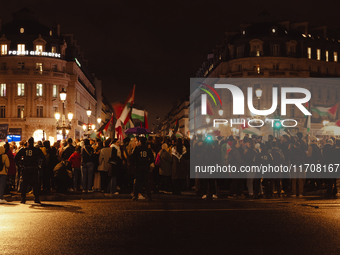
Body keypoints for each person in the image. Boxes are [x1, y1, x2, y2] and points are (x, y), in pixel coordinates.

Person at [14, 137, 45, 204]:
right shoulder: (36, 150)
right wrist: (40, 165)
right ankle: (36, 198)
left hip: (26, 168)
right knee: (35, 184)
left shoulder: (24, 150)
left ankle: (23, 198)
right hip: (34, 168)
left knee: (24, 184)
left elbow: (16, 157)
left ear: (28, 143)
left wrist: (20, 164)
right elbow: (43, 157)